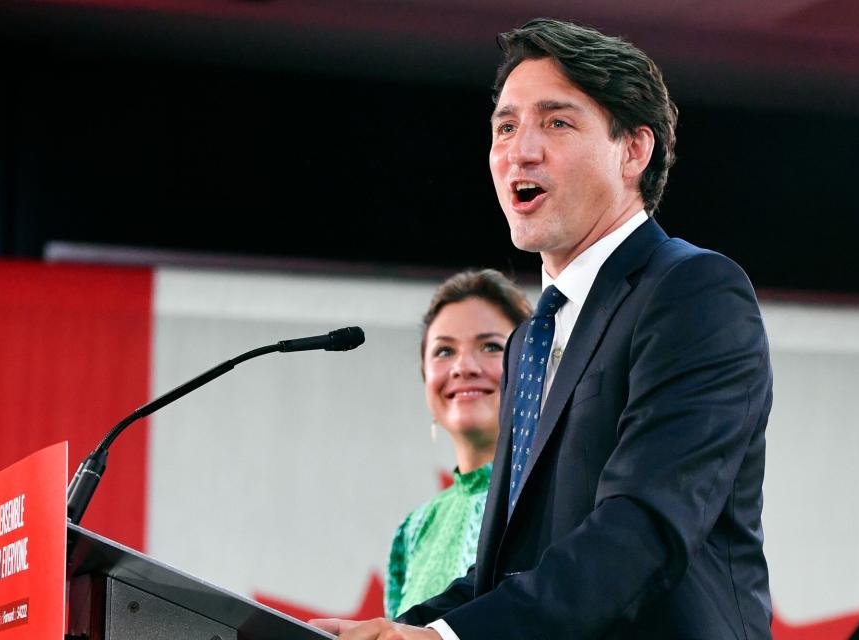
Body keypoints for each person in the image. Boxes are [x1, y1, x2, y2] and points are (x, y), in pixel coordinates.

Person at [313, 17, 773, 639]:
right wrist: (396, 630)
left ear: (633, 150)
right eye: (506, 127)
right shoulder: (534, 336)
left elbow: (643, 529)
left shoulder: (693, 292)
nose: (519, 150)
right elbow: (513, 565)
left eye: (556, 122)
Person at [385, 270, 531, 620]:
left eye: (491, 346)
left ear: (532, 371)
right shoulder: (414, 529)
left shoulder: (551, 497)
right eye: (444, 351)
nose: (463, 367)